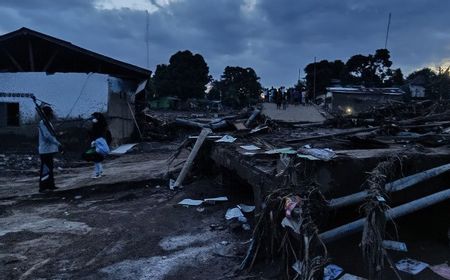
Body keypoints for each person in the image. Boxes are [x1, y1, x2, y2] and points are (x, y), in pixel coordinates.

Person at [38, 106, 61, 193]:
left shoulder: (47, 123)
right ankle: (43, 187)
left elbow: (51, 135)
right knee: (45, 168)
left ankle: (50, 185)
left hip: (49, 149)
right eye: (51, 112)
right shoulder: (43, 123)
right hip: (45, 149)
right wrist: (57, 143)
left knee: (49, 167)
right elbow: (47, 136)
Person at [82, 112, 111, 178]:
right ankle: (99, 172)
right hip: (99, 141)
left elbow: (94, 133)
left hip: (99, 141)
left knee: (96, 157)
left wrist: (89, 132)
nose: (93, 119)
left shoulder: (99, 125)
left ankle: (98, 172)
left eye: (94, 117)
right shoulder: (101, 125)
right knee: (97, 158)